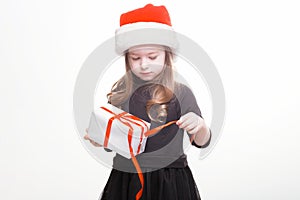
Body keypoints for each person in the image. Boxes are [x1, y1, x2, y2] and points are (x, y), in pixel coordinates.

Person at [84, 4, 211, 200]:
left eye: (152, 56)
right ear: (127, 58)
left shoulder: (181, 93)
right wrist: (101, 137)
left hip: (170, 181)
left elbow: (202, 142)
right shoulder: (120, 94)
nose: (144, 64)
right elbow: (113, 143)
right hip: (126, 179)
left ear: (167, 55)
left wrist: (199, 126)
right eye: (135, 58)